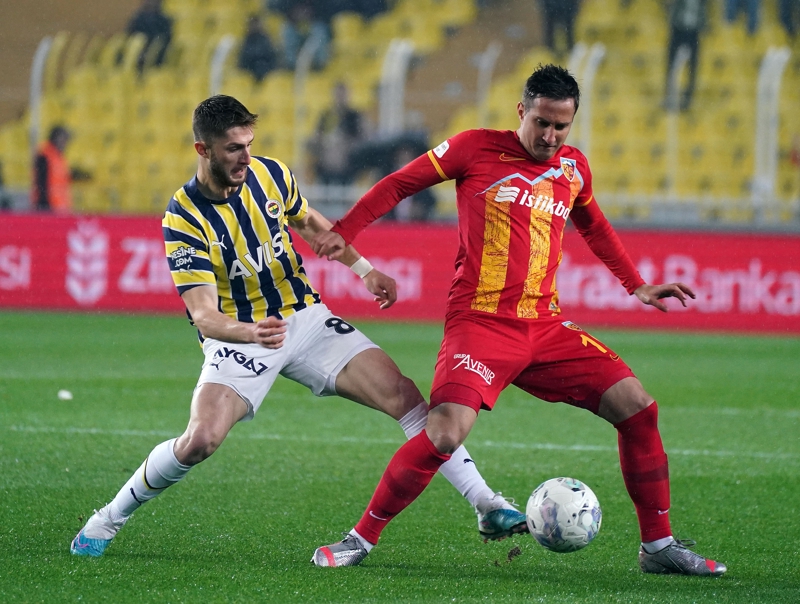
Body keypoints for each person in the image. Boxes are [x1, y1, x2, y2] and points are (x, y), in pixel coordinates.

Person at [309, 65, 728, 576]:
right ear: (521, 111)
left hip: (546, 327)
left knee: (639, 408)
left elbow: (595, 226)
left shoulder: (574, 167)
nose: (550, 136)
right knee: (444, 434)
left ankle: (657, 547)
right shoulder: (474, 147)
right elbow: (400, 183)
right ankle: (360, 540)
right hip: (480, 324)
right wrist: (346, 229)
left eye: (561, 126)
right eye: (541, 123)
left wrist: (635, 284)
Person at [69, 95, 526, 558]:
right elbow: (204, 314)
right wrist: (250, 333)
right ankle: (108, 518)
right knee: (199, 441)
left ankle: (486, 503)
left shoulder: (270, 174)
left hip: (307, 319)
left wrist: (364, 269)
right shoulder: (184, 218)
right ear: (202, 150)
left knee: (406, 399)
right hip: (241, 336)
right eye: (233, 148)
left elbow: (308, 222)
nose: (246, 157)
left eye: (249, 144)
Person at [309, 82, 365, 186]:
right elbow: (317, 136)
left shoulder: (354, 116)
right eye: (338, 94)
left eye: (342, 94)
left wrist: (345, 143)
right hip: (326, 165)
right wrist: (327, 142)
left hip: (348, 164)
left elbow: (362, 138)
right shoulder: (326, 115)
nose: (340, 98)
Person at [664, 0, 707, 112]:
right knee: (671, 65)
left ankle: (687, 98)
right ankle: (670, 96)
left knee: (692, 67)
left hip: (693, 32)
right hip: (678, 29)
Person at [32, 126, 73, 214]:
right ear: (56, 138)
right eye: (63, 140)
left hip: (59, 206)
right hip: (48, 206)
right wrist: (43, 205)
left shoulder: (58, 157)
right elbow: (41, 183)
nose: (65, 143)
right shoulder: (44, 156)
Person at [126, 0, 173, 70]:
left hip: (156, 55)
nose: (151, 3)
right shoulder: (138, 18)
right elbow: (129, 33)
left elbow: (166, 38)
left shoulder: (164, 20)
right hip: (139, 50)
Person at [237, 15, 279, 82]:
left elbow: (271, 57)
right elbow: (244, 60)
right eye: (253, 24)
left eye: (256, 24)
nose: (255, 26)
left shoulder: (265, 40)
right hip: (250, 72)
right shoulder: (246, 41)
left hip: (266, 71)